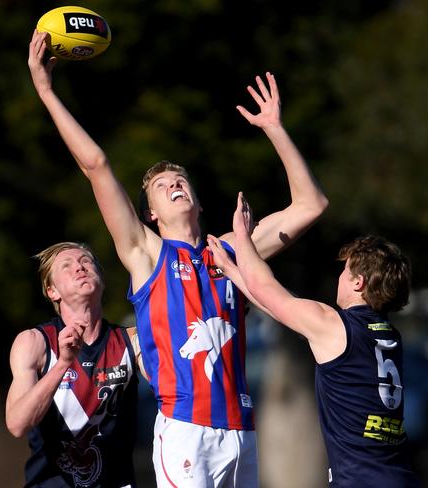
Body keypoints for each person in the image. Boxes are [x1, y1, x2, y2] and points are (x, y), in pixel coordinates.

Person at [28, 28, 328, 487]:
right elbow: (97, 166)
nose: (174, 184)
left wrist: (275, 130)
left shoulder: (231, 250)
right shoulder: (147, 253)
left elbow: (311, 205)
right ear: (149, 213)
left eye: (181, 180)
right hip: (186, 430)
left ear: (199, 202)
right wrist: (47, 92)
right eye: (161, 186)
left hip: (242, 432)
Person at [207, 193, 420, 487]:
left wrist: (243, 236)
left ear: (358, 283)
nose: (340, 277)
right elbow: (281, 308)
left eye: (345, 271)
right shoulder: (388, 335)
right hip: (400, 477)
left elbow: (265, 287)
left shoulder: (335, 325)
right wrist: (232, 271)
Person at [5, 242, 142, 488]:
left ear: (102, 278)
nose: (79, 267)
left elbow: (174, 390)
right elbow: (17, 423)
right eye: (66, 266)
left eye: (86, 261)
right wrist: (64, 363)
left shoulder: (131, 340)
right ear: (52, 291)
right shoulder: (34, 342)